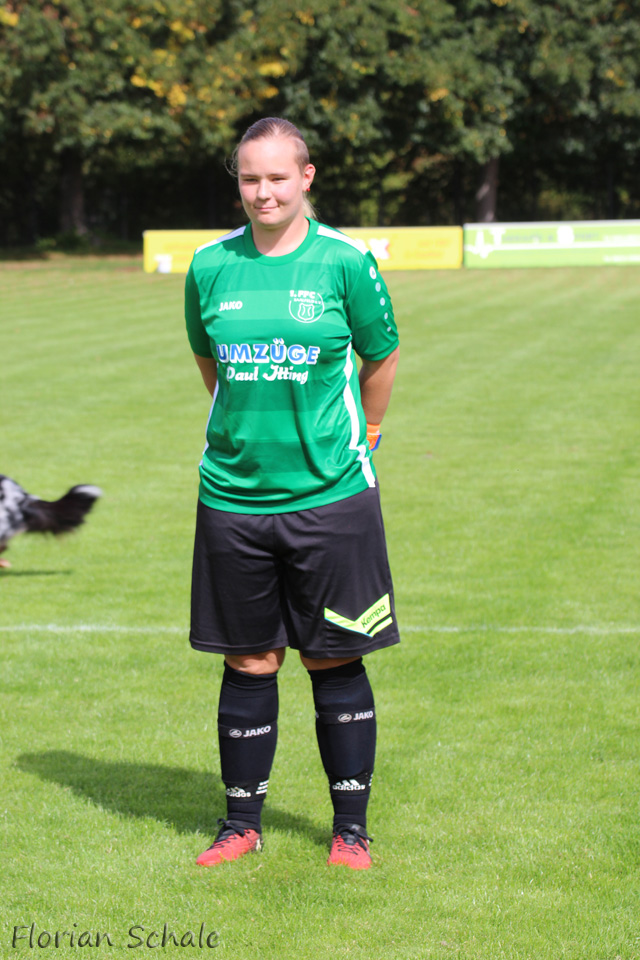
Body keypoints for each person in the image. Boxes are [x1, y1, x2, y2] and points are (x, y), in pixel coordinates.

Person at [184, 117, 400, 871]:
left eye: (277, 177)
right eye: (250, 178)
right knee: (249, 661)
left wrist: (370, 430)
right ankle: (240, 824)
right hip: (233, 498)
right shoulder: (209, 265)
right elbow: (212, 362)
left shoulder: (345, 261)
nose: (263, 192)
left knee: (333, 660)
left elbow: (381, 353)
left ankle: (351, 830)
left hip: (332, 496)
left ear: (306, 177)